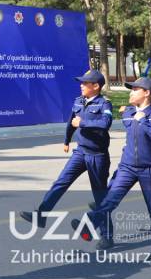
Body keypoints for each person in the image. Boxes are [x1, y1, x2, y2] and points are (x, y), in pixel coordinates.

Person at [73, 77, 151, 250]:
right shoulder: (128, 113)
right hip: (127, 167)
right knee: (110, 200)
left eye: (134, 89)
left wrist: (142, 119)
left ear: (146, 93)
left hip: (149, 169)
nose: (131, 92)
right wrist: (132, 113)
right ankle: (89, 224)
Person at [18, 69, 113, 235]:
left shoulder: (104, 103)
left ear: (96, 86)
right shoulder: (78, 101)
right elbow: (71, 122)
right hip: (80, 152)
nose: (81, 86)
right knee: (61, 182)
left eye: (85, 83)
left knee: (99, 197)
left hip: (97, 156)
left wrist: (83, 123)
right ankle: (41, 215)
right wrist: (66, 140)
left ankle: (107, 235)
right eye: (81, 82)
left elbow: (105, 123)